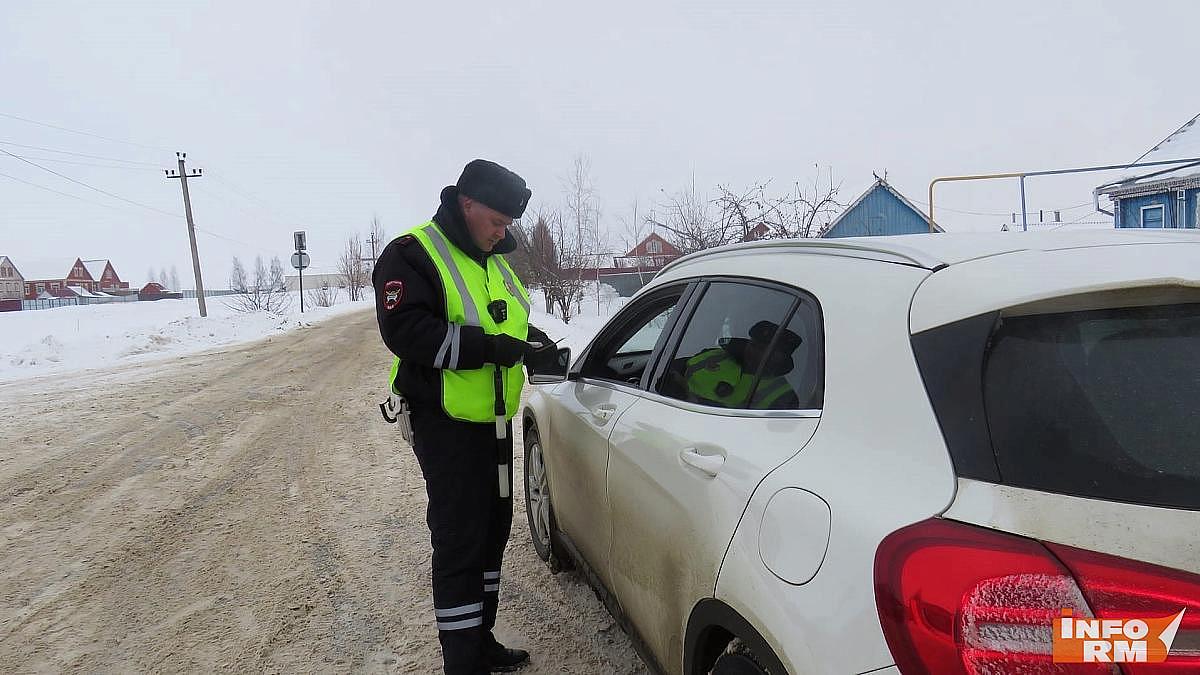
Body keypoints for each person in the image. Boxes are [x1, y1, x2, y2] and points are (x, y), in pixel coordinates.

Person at [373, 159, 553, 674]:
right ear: (466, 204)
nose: (503, 233)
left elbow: (509, 322)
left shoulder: (494, 261)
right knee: (459, 536)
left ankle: (480, 640)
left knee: (494, 529)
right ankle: (462, 661)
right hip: (444, 421)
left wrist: (531, 346)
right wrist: (489, 349)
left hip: (493, 421)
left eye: (507, 225)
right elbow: (406, 332)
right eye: (497, 221)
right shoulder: (412, 254)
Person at [669, 320, 802, 409]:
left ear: (780, 357)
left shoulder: (783, 396)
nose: (753, 352)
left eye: (763, 350)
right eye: (753, 344)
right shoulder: (715, 355)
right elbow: (671, 370)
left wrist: (689, 397)